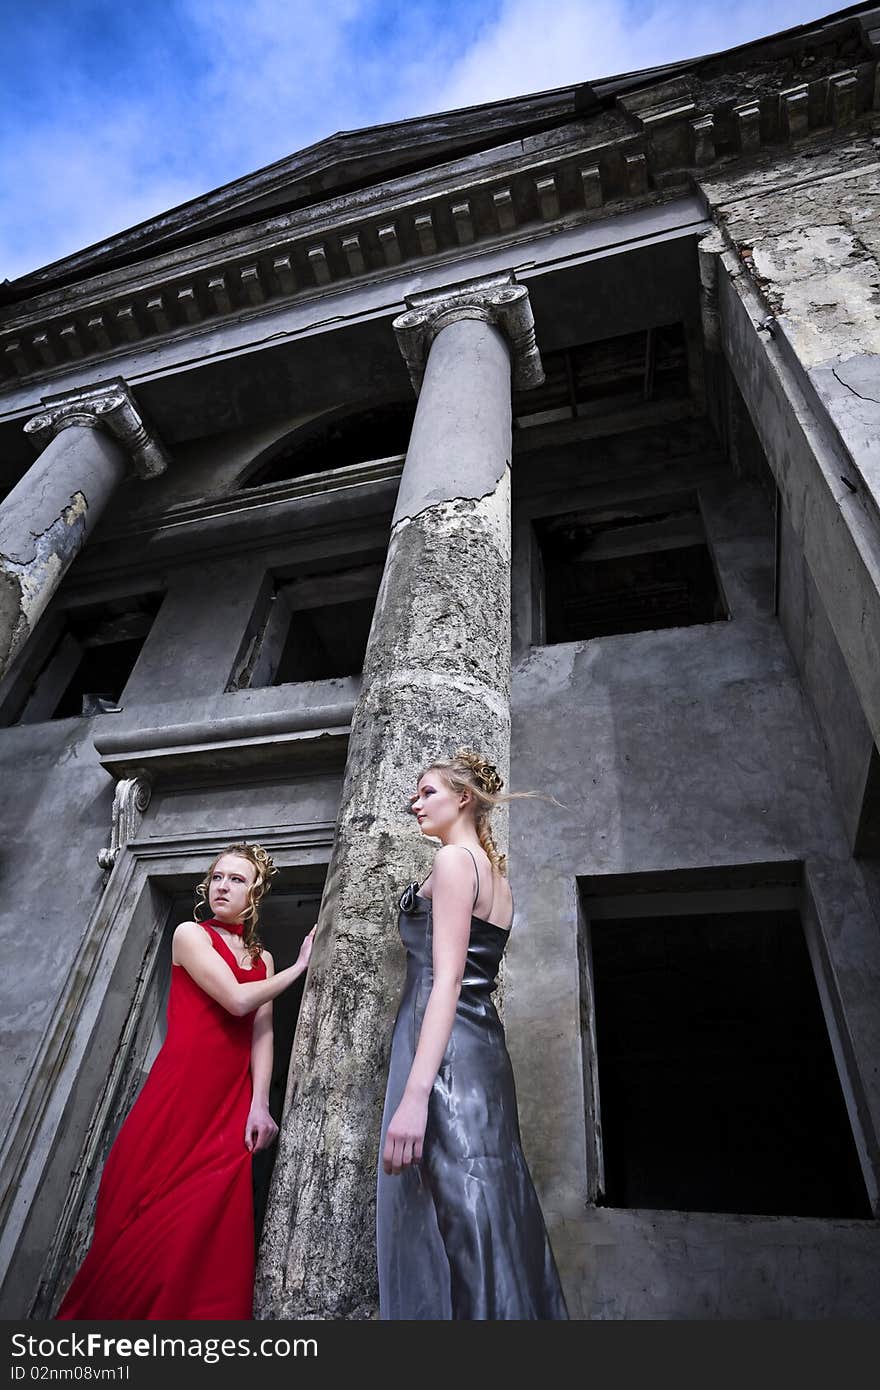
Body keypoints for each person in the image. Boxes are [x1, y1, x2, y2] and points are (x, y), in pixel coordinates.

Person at [57, 843, 315, 1320]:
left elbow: (262, 1032)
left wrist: (260, 1104)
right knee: (139, 1229)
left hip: (229, 1106)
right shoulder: (190, 935)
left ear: (255, 892)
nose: (222, 886)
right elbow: (237, 1002)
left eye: (237, 880)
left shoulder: (263, 959)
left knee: (205, 1230)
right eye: (217, 877)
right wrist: (302, 969)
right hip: (178, 1101)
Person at [377, 749, 568, 1320]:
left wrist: (414, 1098)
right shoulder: (493, 873)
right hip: (478, 1047)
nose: (415, 802)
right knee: (491, 1210)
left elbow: (448, 981)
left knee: (469, 1222)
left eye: (427, 791)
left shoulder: (457, 863)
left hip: (449, 1053)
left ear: (463, 798)